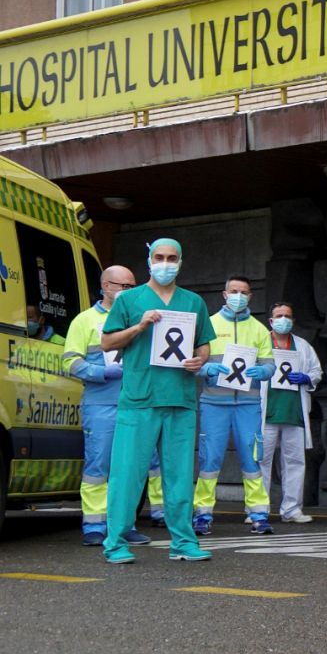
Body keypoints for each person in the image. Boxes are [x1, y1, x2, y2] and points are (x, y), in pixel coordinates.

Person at [98, 238, 215, 564]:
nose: (166, 263)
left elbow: (204, 344)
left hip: (179, 400)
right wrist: (140, 325)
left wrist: (198, 359)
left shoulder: (193, 302)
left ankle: (183, 542)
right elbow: (107, 342)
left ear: (181, 261)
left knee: (179, 476)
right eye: (160, 257)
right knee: (127, 474)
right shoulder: (130, 300)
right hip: (139, 400)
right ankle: (116, 542)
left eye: (172, 257)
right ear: (149, 260)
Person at [63, 265, 151, 547]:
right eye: (121, 286)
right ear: (104, 286)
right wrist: (101, 373)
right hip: (101, 403)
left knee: (130, 467)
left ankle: (125, 525)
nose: (127, 291)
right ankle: (94, 525)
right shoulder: (84, 321)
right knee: (98, 465)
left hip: (134, 402)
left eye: (131, 286)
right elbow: (70, 362)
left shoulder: (139, 319)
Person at [194, 275, 275, 535]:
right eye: (233, 291)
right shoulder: (208, 324)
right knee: (210, 460)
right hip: (214, 402)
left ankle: (259, 514)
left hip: (248, 404)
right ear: (224, 294)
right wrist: (206, 368)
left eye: (243, 292)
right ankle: (202, 514)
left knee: (252, 459)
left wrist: (264, 372)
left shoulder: (260, 329)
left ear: (250, 297)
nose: (238, 295)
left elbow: (270, 364)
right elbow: (191, 363)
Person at [260, 301, 325, 524]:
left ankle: (292, 509)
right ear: (270, 320)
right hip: (266, 412)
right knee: (261, 461)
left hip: (294, 412)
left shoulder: (303, 346)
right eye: (279, 315)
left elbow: (316, 371)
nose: (283, 320)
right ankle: (259, 510)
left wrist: (308, 378)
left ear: (293, 321)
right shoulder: (260, 342)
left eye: (287, 316)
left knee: (295, 461)